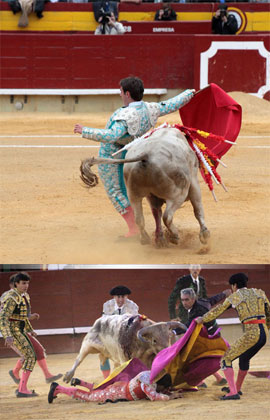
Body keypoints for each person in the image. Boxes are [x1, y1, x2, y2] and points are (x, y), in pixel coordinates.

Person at [74, 77, 195, 238]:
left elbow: (111, 136)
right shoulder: (150, 108)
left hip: (112, 154)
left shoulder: (126, 116)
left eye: (121, 92)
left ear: (127, 94)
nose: (120, 95)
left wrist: (84, 130)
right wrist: (189, 93)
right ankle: (158, 228)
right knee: (150, 191)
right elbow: (172, 104)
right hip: (136, 152)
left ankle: (134, 229)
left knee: (115, 191)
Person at [196, 273, 270, 400]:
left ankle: (233, 393)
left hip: (252, 334)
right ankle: (237, 388)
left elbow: (218, 310)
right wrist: (266, 328)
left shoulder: (235, 297)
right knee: (244, 359)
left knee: (226, 359)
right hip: (264, 333)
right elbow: (268, 312)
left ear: (234, 285)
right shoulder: (260, 293)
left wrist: (203, 319)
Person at [0, 272, 62, 395]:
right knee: (29, 356)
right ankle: (22, 388)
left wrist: (29, 329)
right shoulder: (10, 297)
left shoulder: (24, 296)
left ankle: (22, 386)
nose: (26, 285)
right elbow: (3, 318)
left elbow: (22, 317)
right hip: (12, 330)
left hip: (20, 329)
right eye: (23, 283)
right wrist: (7, 335)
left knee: (32, 354)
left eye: (27, 283)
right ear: (15, 284)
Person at [178, 287, 231, 387]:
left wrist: (173, 330)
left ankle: (200, 381)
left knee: (193, 356)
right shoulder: (202, 301)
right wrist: (223, 294)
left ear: (193, 299)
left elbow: (188, 326)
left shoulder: (198, 310)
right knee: (205, 359)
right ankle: (218, 378)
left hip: (209, 339)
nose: (184, 303)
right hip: (211, 335)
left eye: (186, 300)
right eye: (182, 300)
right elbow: (213, 299)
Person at [48, 370, 182, 404]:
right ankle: (58, 388)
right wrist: (170, 397)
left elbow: (159, 389)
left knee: (99, 390)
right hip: (116, 393)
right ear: (159, 384)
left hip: (120, 387)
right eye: (163, 388)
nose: (163, 390)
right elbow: (154, 396)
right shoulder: (147, 384)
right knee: (89, 397)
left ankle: (82, 382)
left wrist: (170, 391)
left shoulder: (150, 374)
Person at [100, 285, 139, 378]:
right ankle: (107, 379)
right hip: (110, 334)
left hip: (126, 334)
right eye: (118, 297)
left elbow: (134, 323)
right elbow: (104, 321)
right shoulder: (107, 305)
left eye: (123, 296)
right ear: (114, 297)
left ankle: (127, 376)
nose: (120, 299)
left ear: (127, 296)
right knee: (102, 354)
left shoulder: (133, 306)